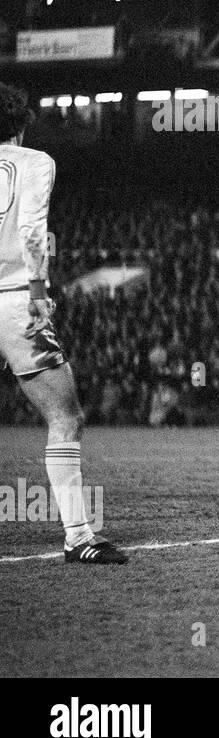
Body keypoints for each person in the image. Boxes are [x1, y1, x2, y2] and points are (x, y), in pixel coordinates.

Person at [0, 82, 127, 564]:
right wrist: (37, 292)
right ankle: (78, 536)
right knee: (64, 416)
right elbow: (32, 229)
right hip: (13, 299)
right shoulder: (35, 162)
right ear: (21, 123)